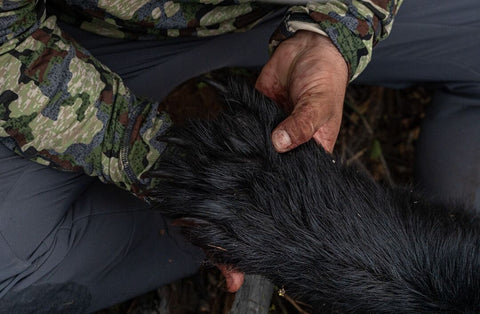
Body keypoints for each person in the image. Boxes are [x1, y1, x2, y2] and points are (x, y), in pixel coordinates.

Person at [0, 0, 478, 312]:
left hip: (276, 8)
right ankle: (217, 234)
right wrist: (167, 161)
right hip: (86, 37)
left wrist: (335, 29)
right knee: (13, 269)